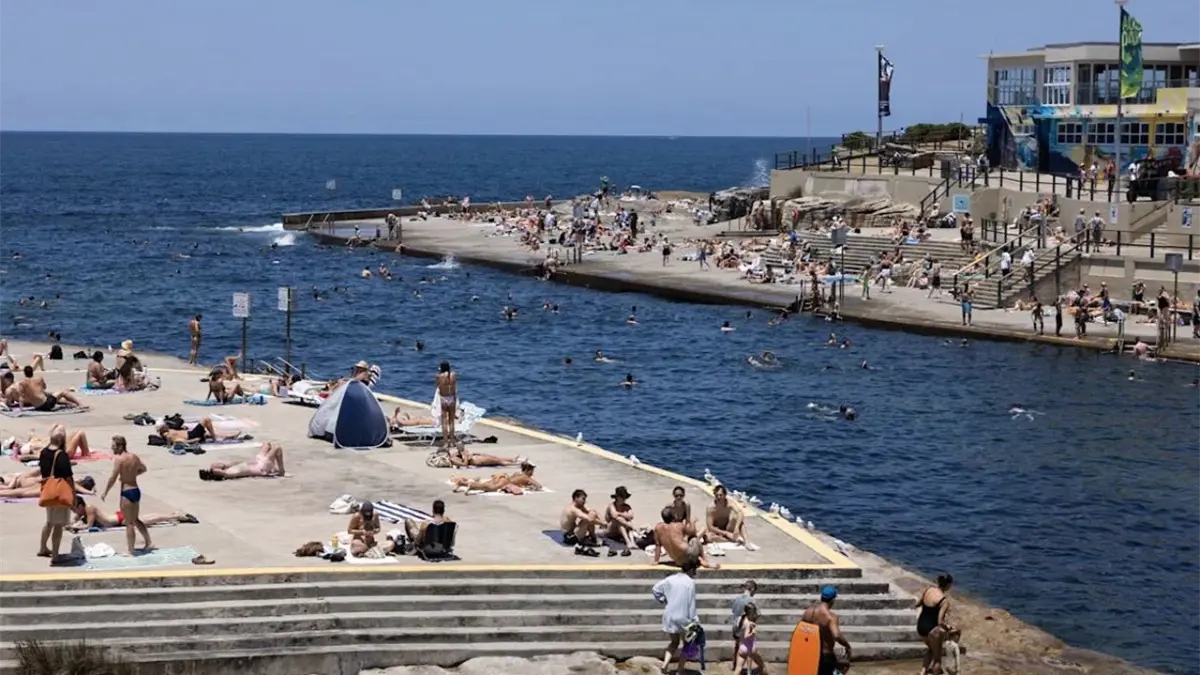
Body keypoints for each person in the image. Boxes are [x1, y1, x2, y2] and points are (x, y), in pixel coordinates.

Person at [99, 435, 153, 556]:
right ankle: (148, 542)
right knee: (135, 519)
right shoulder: (134, 457)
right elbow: (143, 469)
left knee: (129, 523)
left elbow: (113, 477)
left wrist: (105, 492)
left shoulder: (120, 459)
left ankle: (130, 550)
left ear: (120, 446)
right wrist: (132, 475)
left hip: (127, 492)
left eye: (114, 446)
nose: (112, 448)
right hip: (136, 490)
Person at [652, 557, 700, 674]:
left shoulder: (670, 579)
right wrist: (695, 620)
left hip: (669, 615)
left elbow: (655, 589)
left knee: (674, 642)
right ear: (691, 570)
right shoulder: (690, 582)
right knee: (688, 644)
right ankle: (680, 669)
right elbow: (691, 603)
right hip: (683, 617)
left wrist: (663, 600)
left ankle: (665, 664)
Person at [37, 427, 75, 564]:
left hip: (48, 490)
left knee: (49, 522)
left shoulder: (43, 452)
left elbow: (43, 471)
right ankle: (55, 555)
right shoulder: (62, 455)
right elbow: (68, 477)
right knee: (58, 525)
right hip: (60, 492)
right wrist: (73, 493)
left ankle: (43, 547)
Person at [69, 495, 197, 532]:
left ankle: (177, 516)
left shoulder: (89, 509)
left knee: (151, 520)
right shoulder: (83, 510)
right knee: (148, 518)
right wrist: (72, 524)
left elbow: (89, 526)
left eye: (74, 508)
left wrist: (76, 527)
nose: (73, 511)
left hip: (121, 520)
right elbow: (74, 520)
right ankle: (173, 514)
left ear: (80, 506)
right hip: (119, 517)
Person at [801, 586, 852, 675]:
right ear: (832, 600)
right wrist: (847, 646)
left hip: (810, 653)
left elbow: (801, 630)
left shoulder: (808, 612)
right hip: (826, 656)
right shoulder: (830, 617)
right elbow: (836, 635)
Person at [917, 573, 958, 675]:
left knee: (931, 649)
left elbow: (918, 603)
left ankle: (922, 672)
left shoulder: (928, 590)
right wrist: (949, 628)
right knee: (937, 658)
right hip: (932, 630)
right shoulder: (944, 601)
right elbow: (940, 621)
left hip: (921, 627)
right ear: (948, 585)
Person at [654, 506, 719, 569]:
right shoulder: (678, 525)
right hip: (690, 555)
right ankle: (705, 560)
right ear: (674, 516)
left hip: (679, 562)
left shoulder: (658, 528)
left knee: (686, 545)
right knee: (694, 539)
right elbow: (692, 533)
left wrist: (656, 561)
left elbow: (658, 546)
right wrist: (692, 522)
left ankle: (699, 560)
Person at [702, 484, 758, 551]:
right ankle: (730, 539)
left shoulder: (729, 503)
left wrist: (736, 527)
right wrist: (726, 533)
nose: (719, 497)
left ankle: (746, 542)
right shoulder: (710, 508)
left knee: (737, 519)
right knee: (707, 537)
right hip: (716, 531)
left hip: (727, 527)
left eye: (721, 495)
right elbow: (710, 527)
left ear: (725, 495)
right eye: (717, 495)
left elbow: (740, 513)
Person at [199, 442, 285, 481]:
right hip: (261, 468)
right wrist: (210, 473)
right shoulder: (229, 474)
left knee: (266, 444)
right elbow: (215, 470)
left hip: (257, 463)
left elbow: (214, 466)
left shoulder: (229, 468)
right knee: (277, 448)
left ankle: (273, 468)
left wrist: (213, 469)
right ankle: (281, 471)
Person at [16, 365, 83, 411]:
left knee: (52, 396)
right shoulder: (39, 379)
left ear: (24, 373)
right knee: (63, 392)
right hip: (47, 404)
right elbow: (44, 387)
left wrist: (21, 409)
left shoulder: (22, 383)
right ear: (32, 372)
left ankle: (70, 403)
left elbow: (21, 397)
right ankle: (80, 404)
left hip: (38, 407)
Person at [561, 488, 605, 556]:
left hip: (572, 533)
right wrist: (602, 523)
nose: (585, 501)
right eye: (583, 499)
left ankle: (593, 538)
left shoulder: (577, 506)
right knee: (587, 520)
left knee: (592, 513)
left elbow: (593, 511)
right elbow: (589, 519)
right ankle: (594, 539)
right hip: (569, 537)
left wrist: (603, 521)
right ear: (576, 498)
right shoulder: (573, 509)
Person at [450, 462, 541, 494]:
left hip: (502, 477)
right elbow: (539, 486)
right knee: (490, 488)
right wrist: (531, 485)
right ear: (528, 470)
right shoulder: (526, 478)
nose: (532, 473)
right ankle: (472, 486)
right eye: (532, 471)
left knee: (485, 484)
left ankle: (462, 483)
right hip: (505, 481)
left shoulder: (518, 473)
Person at [158, 416, 249, 445]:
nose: (167, 425)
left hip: (192, 434)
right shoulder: (167, 434)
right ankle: (215, 439)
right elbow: (177, 441)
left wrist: (183, 429)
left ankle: (230, 436)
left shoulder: (169, 430)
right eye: (165, 425)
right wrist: (192, 441)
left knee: (208, 433)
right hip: (192, 436)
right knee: (206, 419)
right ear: (162, 428)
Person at [731, 602, 766, 675]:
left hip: (742, 648)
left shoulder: (740, 618)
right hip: (751, 648)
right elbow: (746, 636)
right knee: (762, 666)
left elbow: (737, 630)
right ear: (752, 612)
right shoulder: (749, 623)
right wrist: (753, 632)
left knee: (738, 669)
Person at [604, 486, 637, 556]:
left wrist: (619, 513)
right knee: (619, 520)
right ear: (617, 497)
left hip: (621, 528)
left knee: (626, 522)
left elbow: (631, 516)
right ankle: (628, 542)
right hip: (611, 529)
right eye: (622, 497)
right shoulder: (611, 505)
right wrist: (624, 516)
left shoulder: (627, 506)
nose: (624, 499)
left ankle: (632, 542)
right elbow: (614, 516)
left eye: (625, 497)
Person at [730, 579, 758, 659]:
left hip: (736, 625)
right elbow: (757, 614)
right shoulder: (752, 600)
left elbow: (733, 610)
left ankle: (734, 663)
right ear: (752, 589)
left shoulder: (737, 598)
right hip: (745, 627)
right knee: (747, 647)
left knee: (737, 645)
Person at [447, 442, 524, 468]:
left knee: (495, 458)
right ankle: (517, 464)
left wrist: (463, 452)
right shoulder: (453, 459)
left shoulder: (454, 455)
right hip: (476, 461)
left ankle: (512, 459)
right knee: (497, 461)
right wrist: (466, 455)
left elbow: (463, 455)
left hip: (475, 457)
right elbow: (465, 464)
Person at [436, 361, 458, 449]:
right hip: (452, 398)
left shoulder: (438, 376)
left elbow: (437, 386)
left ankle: (445, 442)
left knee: (444, 421)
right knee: (451, 421)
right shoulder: (454, 375)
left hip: (444, 398)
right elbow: (455, 386)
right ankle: (452, 441)